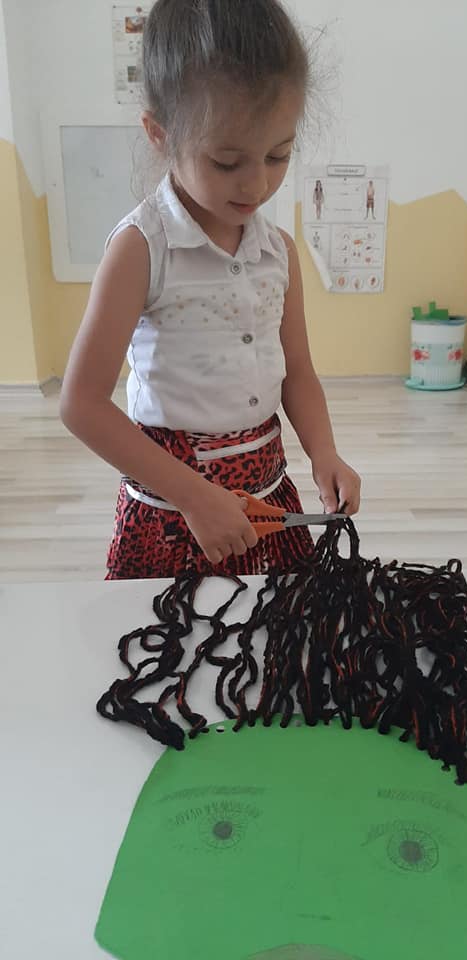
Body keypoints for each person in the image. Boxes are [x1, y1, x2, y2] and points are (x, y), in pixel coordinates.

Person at [60, 0, 360, 579]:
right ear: (159, 134)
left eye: (278, 155)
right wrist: (194, 496)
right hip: (173, 514)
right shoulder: (141, 249)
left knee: (271, 627)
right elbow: (81, 404)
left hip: (267, 497)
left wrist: (325, 453)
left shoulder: (279, 251)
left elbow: (298, 372)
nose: (257, 183)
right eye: (226, 162)